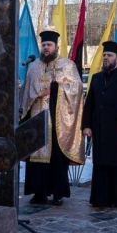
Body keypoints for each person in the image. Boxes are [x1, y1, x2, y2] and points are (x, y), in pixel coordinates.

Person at [20, 30, 85, 205]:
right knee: (36, 156)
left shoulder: (67, 65)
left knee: (56, 157)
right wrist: (33, 95)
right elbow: (26, 91)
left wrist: (54, 90)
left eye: (49, 45)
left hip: (57, 120)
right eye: (44, 45)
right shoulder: (34, 67)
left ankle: (58, 193)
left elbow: (76, 89)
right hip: (37, 118)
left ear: (56, 46)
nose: (46, 48)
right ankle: (39, 192)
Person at [82, 41, 117, 209]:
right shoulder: (97, 77)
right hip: (99, 128)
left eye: (110, 55)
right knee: (101, 164)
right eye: (105, 55)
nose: (106, 58)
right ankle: (101, 199)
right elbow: (89, 103)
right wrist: (86, 125)